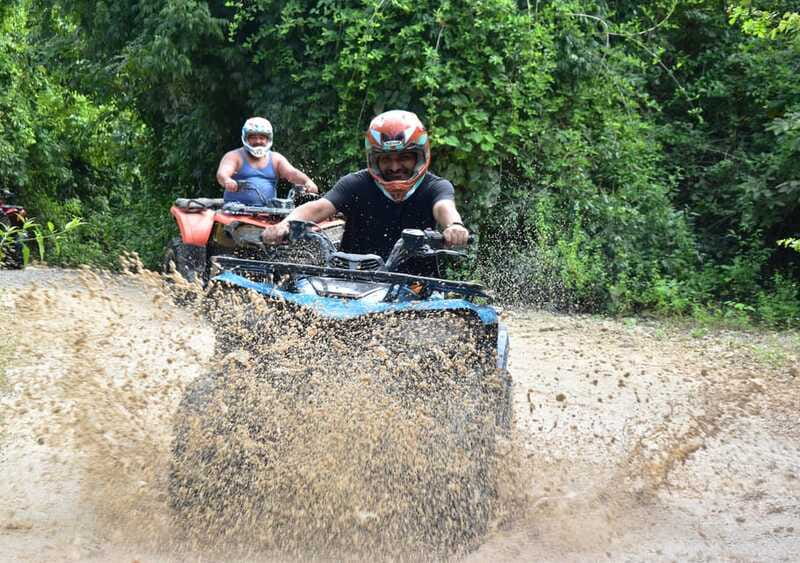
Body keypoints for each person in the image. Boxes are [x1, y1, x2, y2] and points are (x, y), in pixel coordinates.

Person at [261, 110, 469, 274]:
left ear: (420, 156)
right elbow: (318, 208)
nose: (395, 167)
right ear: (374, 159)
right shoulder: (355, 183)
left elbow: (445, 208)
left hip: (418, 288)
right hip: (351, 282)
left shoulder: (436, 186)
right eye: (386, 159)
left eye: (404, 157)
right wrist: (284, 225)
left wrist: (455, 226)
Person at [216, 117, 319, 205]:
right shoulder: (234, 156)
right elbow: (222, 173)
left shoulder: (276, 159)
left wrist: (307, 182)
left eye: (262, 137)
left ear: (268, 139)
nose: (258, 141)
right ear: (245, 138)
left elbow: (292, 173)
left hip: (267, 212)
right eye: (253, 137)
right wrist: (227, 181)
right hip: (235, 211)